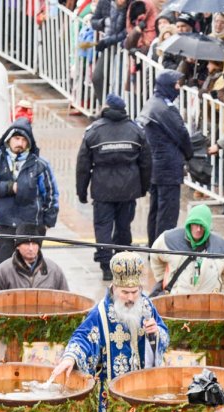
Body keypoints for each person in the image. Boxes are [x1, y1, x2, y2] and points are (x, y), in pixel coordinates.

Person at [51, 253, 168, 412]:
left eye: (135, 292)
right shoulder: (100, 314)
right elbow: (83, 337)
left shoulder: (146, 305)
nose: (131, 298)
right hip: (111, 396)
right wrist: (70, 358)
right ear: (114, 287)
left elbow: (163, 334)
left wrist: (157, 333)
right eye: (125, 293)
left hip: (143, 392)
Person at [77, 94, 151, 282]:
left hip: (102, 189)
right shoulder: (135, 130)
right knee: (123, 227)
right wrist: (143, 187)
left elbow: (83, 165)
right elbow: (146, 163)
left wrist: (81, 191)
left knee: (103, 227)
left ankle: (106, 266)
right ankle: (123, 263)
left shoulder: (94, 131)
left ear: (106, 107)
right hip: (128, 189)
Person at [0, 119, 60, 270]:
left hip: (31, 225)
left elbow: (51, 193)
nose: (20, 143)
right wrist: (10, 187)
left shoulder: (40, 164)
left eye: (24, 140)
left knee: (29, 269)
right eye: (16, 138)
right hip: (5, 224)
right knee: (0, 268)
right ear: (8, 139)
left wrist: (48, 222)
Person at [142, 70, 193, 246]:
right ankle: (162, 251)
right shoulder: (165, 108)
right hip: (168, 166)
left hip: (155, 165)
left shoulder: (152, 103)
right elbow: (181, 134)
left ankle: (153, 247)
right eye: (176, 84)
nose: (178, 88)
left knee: (155, 210)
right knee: (167, 212)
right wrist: (190, 154)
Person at [148, 205, 224, 295]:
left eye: (202, 226)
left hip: (208, 303)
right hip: (175, 300)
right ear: (189, 223)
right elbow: (155, 256)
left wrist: (222, 295)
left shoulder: (222, 247)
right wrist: (162, 279)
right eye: (195, 224)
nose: (198, 229)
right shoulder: (168, 240)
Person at [0, 224, 68, 292]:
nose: (31, 248)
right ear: (17, 246)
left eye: (34, 244)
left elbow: (65, 299)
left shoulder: (54, 270)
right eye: (26, 244)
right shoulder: (1, 272)